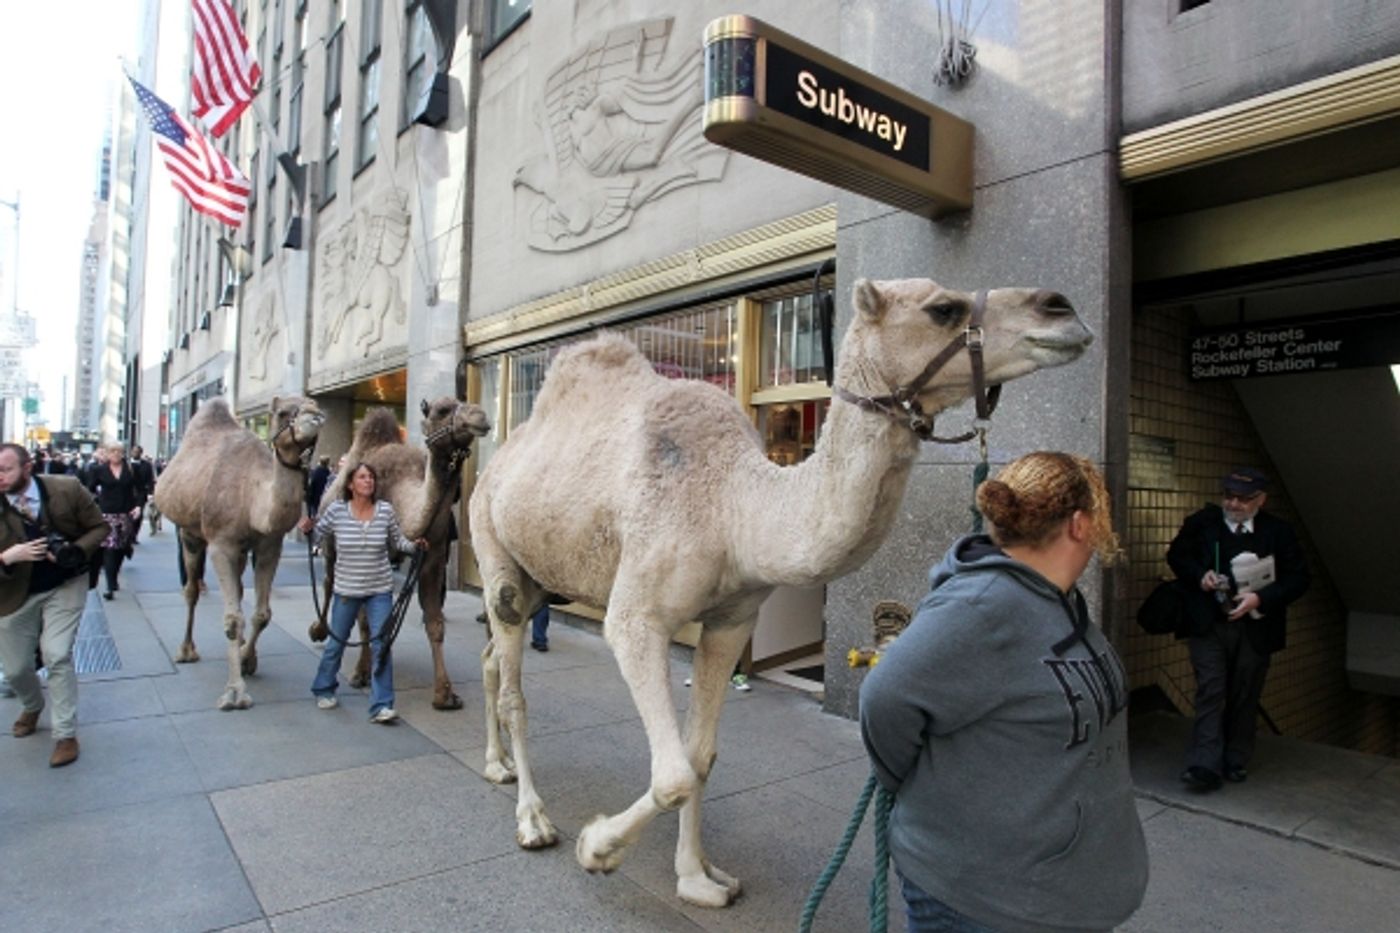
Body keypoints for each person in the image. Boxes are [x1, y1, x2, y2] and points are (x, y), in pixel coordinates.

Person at [860, 451, 1147, 933]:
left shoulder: (1056, 597)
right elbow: (884, 700)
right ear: (1079, 524)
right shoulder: (981, 606)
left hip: (1057, 892)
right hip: (984, 902)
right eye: (1098, 517)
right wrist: (914, 785)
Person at [1168, 467, 1309, 791]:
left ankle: (1236, 757)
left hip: (1255, 626)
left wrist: (1260, 597)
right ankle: (1204, 764)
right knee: (1211, 689)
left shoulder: (1279, 532)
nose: (1234, 504)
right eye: (1229, 496)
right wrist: (1199, 575)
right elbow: (1177, 556)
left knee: (1245, 693)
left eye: (1243, 499)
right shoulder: (1202, 523)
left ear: (1261, 500)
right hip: (1209, 623)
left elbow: (1299, 579)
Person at [0, 443, 109, 767]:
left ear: (28, 467)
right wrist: (7, 557)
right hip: (12, 593)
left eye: (6, 469)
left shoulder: (67, 488)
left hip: (64, 584)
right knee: (17, 668)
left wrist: (76, 551)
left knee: (57, 653)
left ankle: (65, 734)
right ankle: (33, 705)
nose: (0, 477)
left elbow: (99, 527)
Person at [298, 462, 425, 724]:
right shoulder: (337, 511)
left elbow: (397, 541)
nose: (368, 481)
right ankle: (323, 687)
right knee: (336, 643)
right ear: (350, 484)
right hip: (347, 590)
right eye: (362, 477)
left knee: (382, 646)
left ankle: (382, 705)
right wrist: (308, 529)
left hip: (379, 590)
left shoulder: (385, 511)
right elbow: (318, 535)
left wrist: (415, 547)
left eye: (371, 477)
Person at [85, 443, 141, 600]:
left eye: (119, 451)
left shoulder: (130, 469)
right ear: (107, 454)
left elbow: (140, 488)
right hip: (106, 513)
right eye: (113, 451)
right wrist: (94, 504)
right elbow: (89, 488)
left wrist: (138, 506)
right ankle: (110, 586)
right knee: (110, 547)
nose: (116, 454)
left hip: (126, 513)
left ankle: (114, 574)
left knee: (121, 548)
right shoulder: (99, 470)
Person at [128, 445, 156, 545]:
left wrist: (150, 493)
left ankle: (134, 535)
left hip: (141, 493)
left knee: (138, 516)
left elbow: (150, 480)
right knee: (128, 515)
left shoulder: (147, 465)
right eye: (134, 451)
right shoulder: (126, 464)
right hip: (127, 493)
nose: (136, 453)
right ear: (131, 452)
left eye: (138, 452)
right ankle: (128, 535)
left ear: (141, 453)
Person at [306, 455, 332, 519]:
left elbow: (311, 485)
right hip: (323, 498)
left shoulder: (315, 472)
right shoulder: (329, 473)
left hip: (313, 498)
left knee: (312, 516)